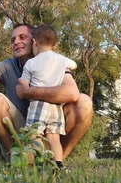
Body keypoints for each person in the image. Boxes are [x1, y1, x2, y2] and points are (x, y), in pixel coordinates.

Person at [0, 23, 93, 162]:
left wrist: (29, 92)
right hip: (24, 131)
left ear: (34, 40)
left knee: (84, 103)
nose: (16, 42)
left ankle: (57, 162)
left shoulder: (54, 62)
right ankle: (18, 161)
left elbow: (72, 93)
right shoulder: (7, 66)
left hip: (52, 128)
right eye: (13, 40)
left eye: (22, 37)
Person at [20, 24, 76, 168]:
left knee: (34, 134)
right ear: (54, 45)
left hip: (38, 104)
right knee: (54, 137)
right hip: (56, 106)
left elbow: (24, 84)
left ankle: (41, 163)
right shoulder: (62, 60)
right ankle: (58, 164)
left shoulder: (31, 63)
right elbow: (73, 65)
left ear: (35, 42)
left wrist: (22, 85)